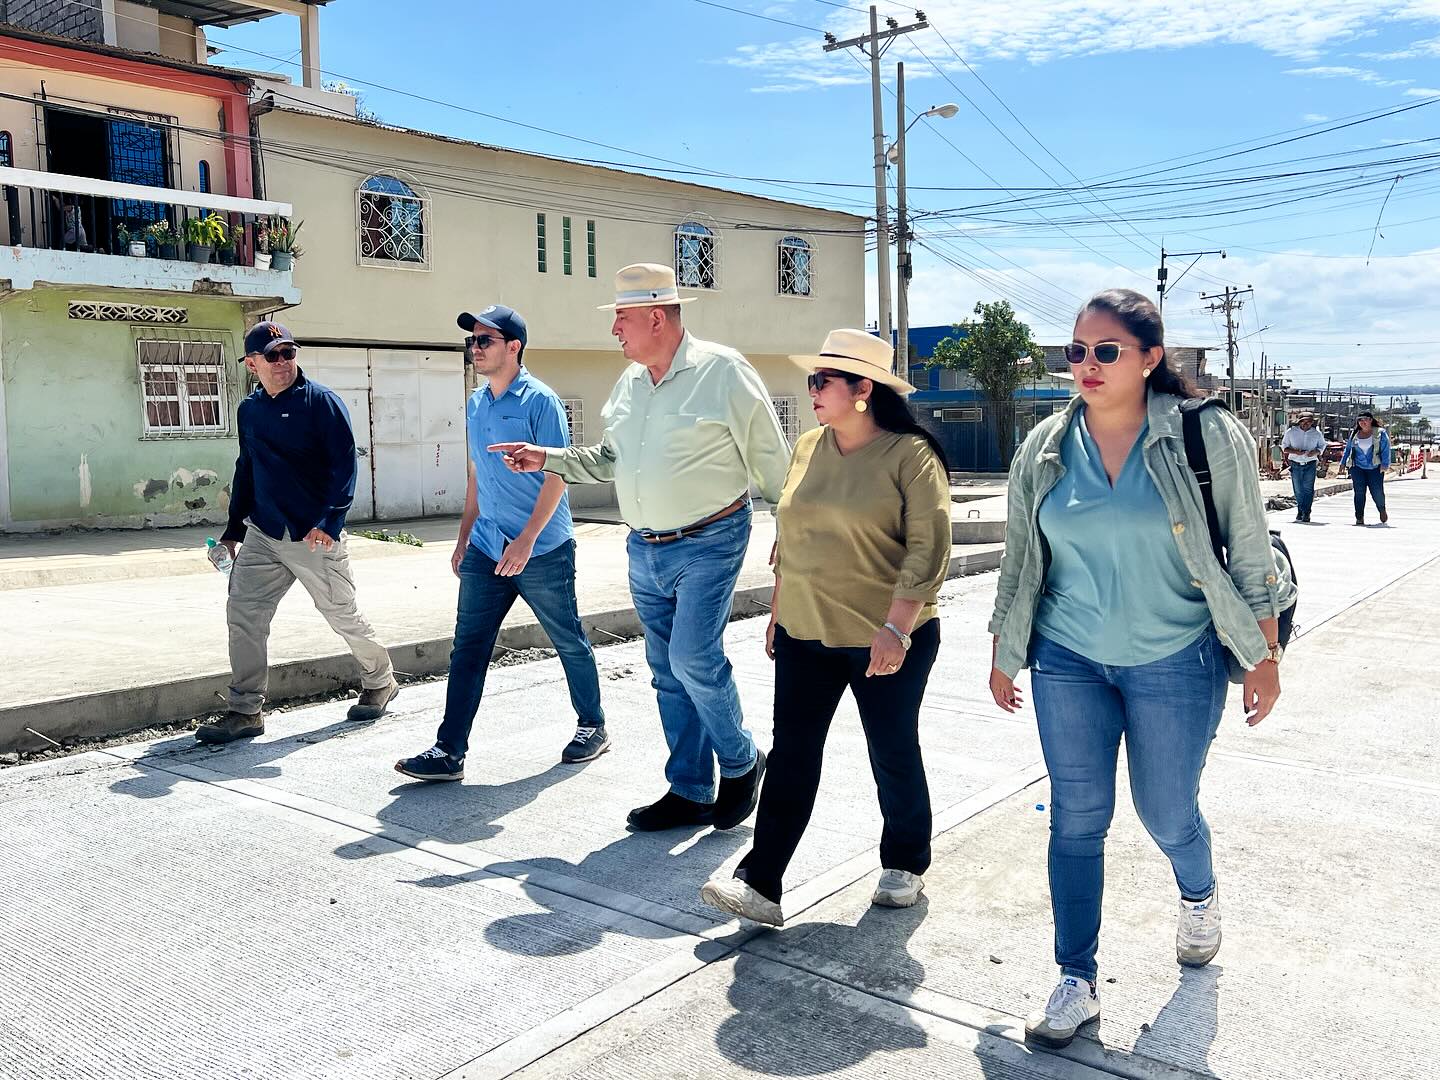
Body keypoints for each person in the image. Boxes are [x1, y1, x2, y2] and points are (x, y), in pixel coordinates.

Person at [987, 289, 1295, 1049]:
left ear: (1150, 358)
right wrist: (1004, 649)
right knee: (1076, 816)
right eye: (1076, 352)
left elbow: (1249, 550)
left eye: (1106, 351)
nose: (1086, 365)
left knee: (1166, 811)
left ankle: (1199, 894)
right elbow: (1021, 558)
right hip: (1068, 658)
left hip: (1177, 656)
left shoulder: (1205, 433)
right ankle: (1077, 978)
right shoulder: (1045, 446)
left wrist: (1264, 656)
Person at [489, 264, 791, 832]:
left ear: (656, 318)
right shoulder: (629, 383)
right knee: (665, 671)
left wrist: (790, 535)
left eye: (621, 318)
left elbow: (773, 462)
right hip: (644, 547)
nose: (614, 330)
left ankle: (741, 760)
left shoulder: (724, 371)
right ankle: (691, 790)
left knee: (692, 657)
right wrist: (545, 457)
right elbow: (610, 459)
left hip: (711, 538)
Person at [697, 330, 951, 927]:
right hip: (806, 631)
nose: (811, 389)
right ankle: (761, 882)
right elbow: (791, 537)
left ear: (864, 388)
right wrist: (779, 610)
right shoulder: (809, 445)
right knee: (792, 754)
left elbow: (928, 548)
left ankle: (905, 861)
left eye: (822, 381)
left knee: (892, 749)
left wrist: (897, 628)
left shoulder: (911, 455)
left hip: (886, 636)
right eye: (811, 379)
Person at [394, 306, 608, 782]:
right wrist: (464, 536)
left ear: (514, 347)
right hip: (487, 545)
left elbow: (558, 474)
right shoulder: (476, 403)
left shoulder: (541, 401)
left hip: (542, 548)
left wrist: (527, 540)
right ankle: (449, 751)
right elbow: (478, 474)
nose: (475, 348)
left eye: (484, 340)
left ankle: (592, 725)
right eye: (472, 341)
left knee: (567, 639)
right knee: (468, 647)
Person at [199, 321, 398, 744]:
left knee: (341, 614)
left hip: (313, 535)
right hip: (265, 532)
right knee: (243, 613)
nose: (282, 361)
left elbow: (344, 465)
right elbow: (246, 468)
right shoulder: (250, 410)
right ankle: (245, 710)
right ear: (252, 364)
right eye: (272, 355)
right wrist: (234, 530)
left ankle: (380, 680)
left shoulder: (321, 402)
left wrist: (330, 522)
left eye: (288, 352)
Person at [1340, 411, 1391, 526]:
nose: (1362, 422)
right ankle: (1359, 517)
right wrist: (1342, 463)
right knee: (1359, 492)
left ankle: (1382, 509)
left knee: (1377, 491)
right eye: (1360, 420)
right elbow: (1348, 449)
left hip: (1375, 467)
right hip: (1357, 467)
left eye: (1365, 419)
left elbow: (1386, 449)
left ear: (1371, 420)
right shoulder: (1355, 433)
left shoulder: (1380, 433)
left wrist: (1385, 464)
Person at [1281, 413, 1325, 522]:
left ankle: (1306, 512)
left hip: (1310, 463)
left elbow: (1322, 446)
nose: (1306, 424)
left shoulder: (1316, 433)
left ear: (1312, 422)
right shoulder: (1291, 432)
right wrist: (1295, 452)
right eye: (1303, 421)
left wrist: (1315, 452)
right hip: (1295, 463)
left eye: (1308, 421)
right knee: (1298, 490)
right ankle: (1300, 510)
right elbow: (1284, 447)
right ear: (1299, 422)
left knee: (1308, 489)